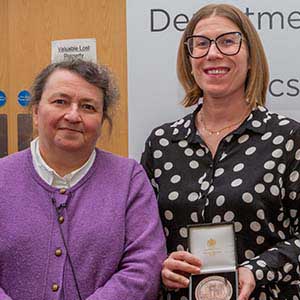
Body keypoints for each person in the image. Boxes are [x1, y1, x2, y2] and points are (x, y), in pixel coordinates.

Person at [141, 3, 300, 300]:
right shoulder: (162, 143)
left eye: (228, 41)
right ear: (189, 61)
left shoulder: (287, 137)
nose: (213, 54)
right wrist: (160, 266)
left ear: (250, 56)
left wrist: (257, 270)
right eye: (200, 44)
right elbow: (141, 241)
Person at [0, 59, 166, 300]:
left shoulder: (129, 179)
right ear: (36, 112)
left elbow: (144, 269)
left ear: (102, 121)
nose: (73, 115)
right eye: (60, 102)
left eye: (88, 107)